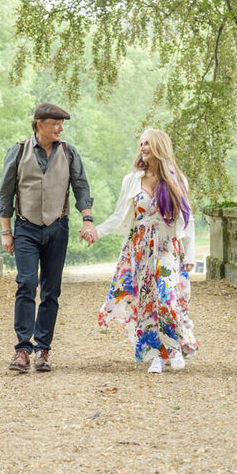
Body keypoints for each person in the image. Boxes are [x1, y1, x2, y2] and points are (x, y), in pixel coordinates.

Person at [0, 102, 97, 373]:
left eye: (61, 124)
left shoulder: (68, 152)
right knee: (26, 284)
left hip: (58, 228)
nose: (60, 128)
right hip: (26, 228)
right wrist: (6, 232)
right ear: (39, 124)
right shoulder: (18, 152)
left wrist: (87, 219)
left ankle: (43, 349)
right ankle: (22, 349)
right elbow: (5, 194)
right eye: (55, 124)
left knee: (51, 290)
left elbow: (81, 187)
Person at [95, 128, 199, 373]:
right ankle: (155, 356)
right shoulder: (131, 180)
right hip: (140, 249)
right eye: (141, 144)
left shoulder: (176, 179)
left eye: (148, 144)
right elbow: (119, 215)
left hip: (166, 247)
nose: (143, 148)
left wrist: (190, 255)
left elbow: (188, 219)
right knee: (147, 302)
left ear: (159, 147)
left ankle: (173, 348)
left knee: (167, 298)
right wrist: (97, 232)